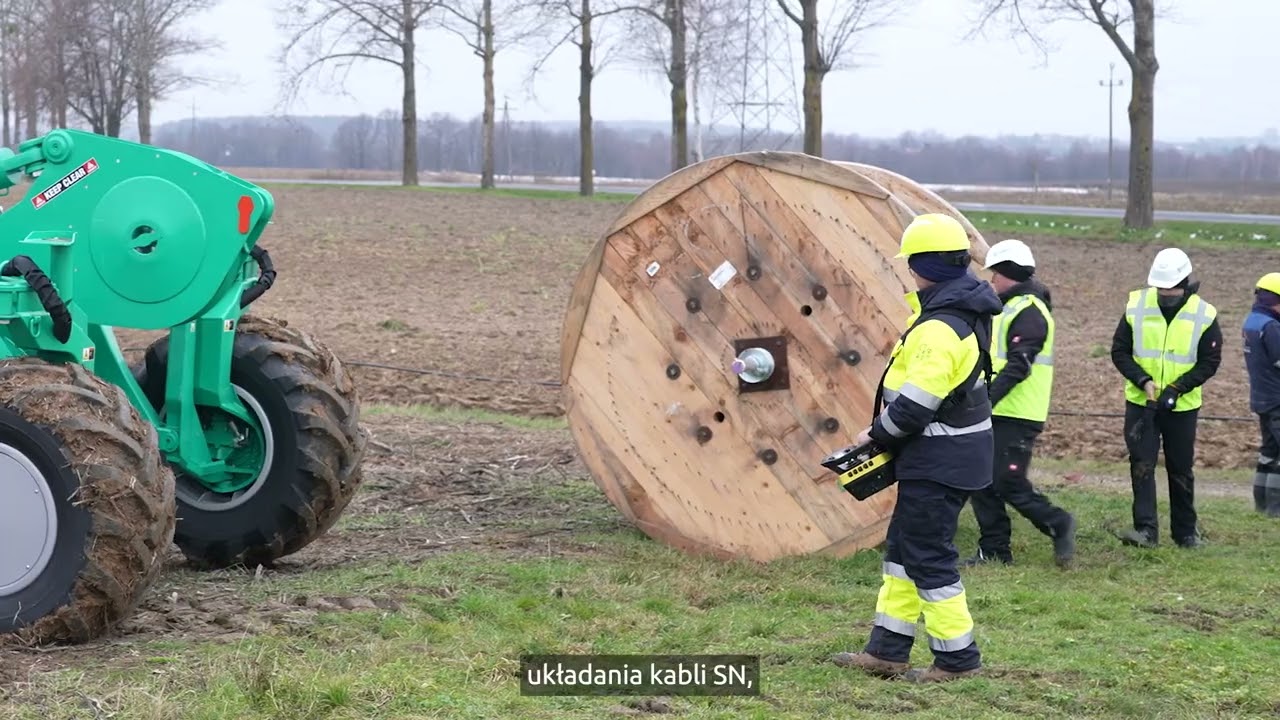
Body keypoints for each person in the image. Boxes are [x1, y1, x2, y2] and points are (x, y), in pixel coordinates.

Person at [831, 212, 1002, 684]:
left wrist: (875, 435)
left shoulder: (938, 328)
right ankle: (887, 651)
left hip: (938, 460)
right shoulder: (962, 313)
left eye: (910, 263)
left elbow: (915, 406)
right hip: (943, 457)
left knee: (927, 555)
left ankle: (957, 660)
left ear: (921, 265)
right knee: (903, 551)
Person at [963, 239, 1076, 568]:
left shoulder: (1029, 311)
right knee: (980, 478)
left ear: (1007, 273)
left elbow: (1018, 366)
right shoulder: (1009, 307)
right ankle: (995, 549)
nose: (991, 280)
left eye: (994, 274)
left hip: (1018, 412)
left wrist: (986, 399)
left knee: (1007, 481)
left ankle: (1059, 523)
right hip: (999, 410)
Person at [1110, 247, 1222, 548]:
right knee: (1142, 464)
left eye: (1171, 289)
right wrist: (1141, 379)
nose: (1165, 294)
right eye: (1160, 288)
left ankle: (1185, 533)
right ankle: (1145, 531)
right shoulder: (1136, 306)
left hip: (1182, 407)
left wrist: (1177, 388)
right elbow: (1119, 350)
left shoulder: (1204, 314)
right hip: (1141, 404)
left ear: (1185, 283)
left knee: (1180, 467)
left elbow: (1209, 361)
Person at [1242, 272, 1280, 516]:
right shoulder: (1272, 326)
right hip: (1278, 399)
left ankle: (1262, 506)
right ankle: (1275, 510)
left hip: (1262, 397)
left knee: (1269, 453)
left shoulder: (1252, 322)